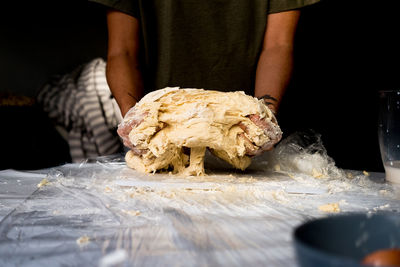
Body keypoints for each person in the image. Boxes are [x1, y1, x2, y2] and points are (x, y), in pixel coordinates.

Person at [90, 0, 319, 118]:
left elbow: (278, 45)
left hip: (244, 126)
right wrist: (135, 116)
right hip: (161, 125)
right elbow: (122, 51)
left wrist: (265, 113)